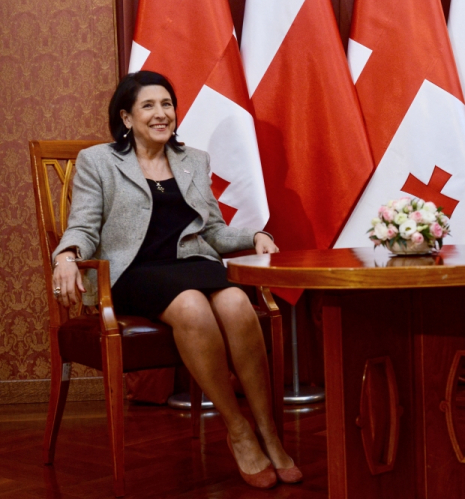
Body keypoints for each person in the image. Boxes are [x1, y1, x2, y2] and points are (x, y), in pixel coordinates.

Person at [51, 71, 301, 490]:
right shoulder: (99, 161)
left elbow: (214, 232)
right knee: (190, 305)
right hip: (135, 271)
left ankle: (269, 431)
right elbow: (84, 226)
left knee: (238, 303)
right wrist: (66, 254)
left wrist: (255, 235)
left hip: (191, 264)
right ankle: (237, 428)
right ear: (126, 118)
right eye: (148, 105)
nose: (161, 113)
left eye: (166, 104)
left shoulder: (194, 159)